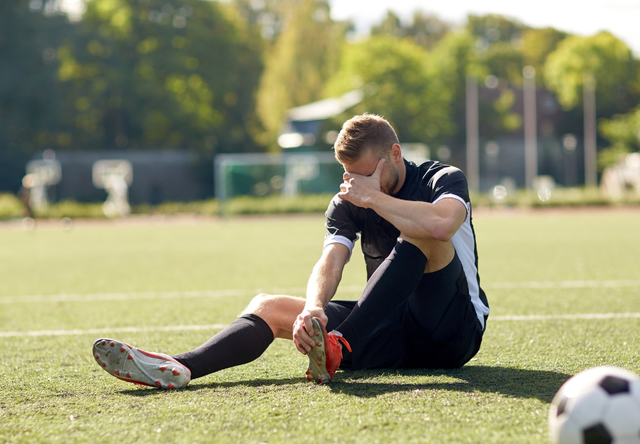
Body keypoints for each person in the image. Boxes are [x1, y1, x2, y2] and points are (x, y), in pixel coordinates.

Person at [93, 114, 489, 389]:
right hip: (389, 330)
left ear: (396, 154)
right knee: (269, 304)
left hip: (451, 333)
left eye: (366, 174)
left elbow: (441, 224)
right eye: (348, 175)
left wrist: (373, 199)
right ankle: (180, 366)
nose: (355, 184)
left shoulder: (441, 177)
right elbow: (331, 261)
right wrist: (314, 308)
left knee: (422, 233)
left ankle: (339, 344)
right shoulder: (349, 198)